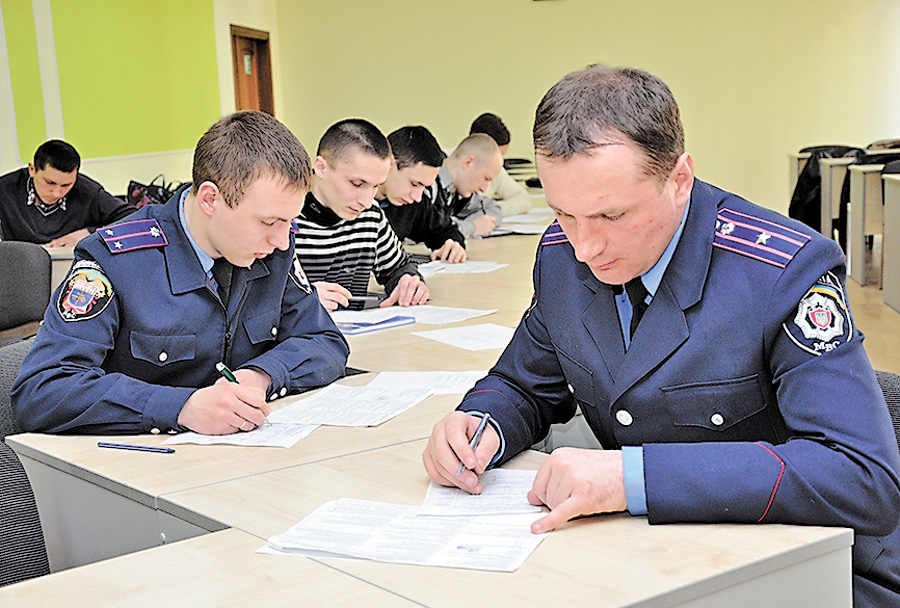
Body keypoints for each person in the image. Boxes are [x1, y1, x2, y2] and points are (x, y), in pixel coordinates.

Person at [422, 65, 900, 607]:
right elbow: (524, 382)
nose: (585, 246)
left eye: (612, 214)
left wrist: (631, 478)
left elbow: (863, 477)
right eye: (564, 214)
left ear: (679, 179)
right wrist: (480, 426)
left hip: (813, 571)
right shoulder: (561, 257)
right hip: (653, 562)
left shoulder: (780, 271)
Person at [12, 111, 349, 435]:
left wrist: (260, 375)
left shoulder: (272, 250)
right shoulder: (116, 260)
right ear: (209, 199)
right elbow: (41, 392)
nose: (281, 239)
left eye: (289, 221)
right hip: (140, 470)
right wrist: (180, 407)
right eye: (268, 221)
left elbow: (324, 340)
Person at [293, 119, 430, 312]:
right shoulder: (282, 219)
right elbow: (254, 297)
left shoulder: (371, 216)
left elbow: (399, 267)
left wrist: (408, 282)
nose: (366, 201)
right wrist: (300, 299)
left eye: (375, 186)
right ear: (321, 167)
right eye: (357, 184)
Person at [0, 140, 136, 246]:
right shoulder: (5, 189)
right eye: (50, 183)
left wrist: (91, 232)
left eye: (66, 185)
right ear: (32, 169)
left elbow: (134, 218)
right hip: (17, 268)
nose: (57, 193)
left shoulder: (88, 192)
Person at [378, 126, 467, 263]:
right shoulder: (348, 201)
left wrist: (452, 245)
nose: (417, 197)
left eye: (424, 187)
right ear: (390, 163)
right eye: (414, 184)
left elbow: (444, 229)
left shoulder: (411, 204)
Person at [424, 133, 503, 239]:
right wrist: (472, 226)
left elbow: (493, 208)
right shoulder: (426, 183)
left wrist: (477, 224)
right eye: (485, 178)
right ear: (467, 163)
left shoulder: (457, 191)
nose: (483, 189)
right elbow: (423, 232)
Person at [469, 113, 532, 217]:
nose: (500, 162)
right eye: (496, 155)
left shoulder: (494, 168)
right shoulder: (443, 168)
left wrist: (490, 210)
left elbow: (523, 199)